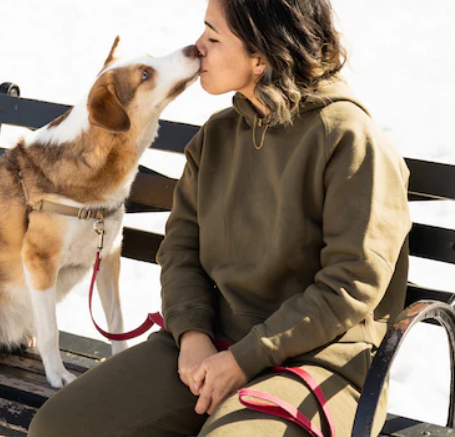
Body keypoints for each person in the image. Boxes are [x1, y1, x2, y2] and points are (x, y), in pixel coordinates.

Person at [28, 0, 411, 436]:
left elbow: (351, 282)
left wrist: (245, 358)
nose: (198, 48)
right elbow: (180, 250)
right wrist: (192, 334)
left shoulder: (348, 138)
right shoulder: (218, 135)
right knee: (59, 427)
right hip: (212, 344)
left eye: (213, 37)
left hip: (318, 364)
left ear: (262, 55)